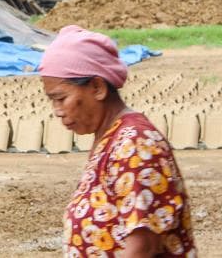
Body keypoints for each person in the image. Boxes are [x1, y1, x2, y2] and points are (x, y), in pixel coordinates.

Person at [39, 25, 196, 257]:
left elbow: (142, 247)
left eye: (61, 98)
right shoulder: (110, 139)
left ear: (97, 87)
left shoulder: (135, 144)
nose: (57, 110)